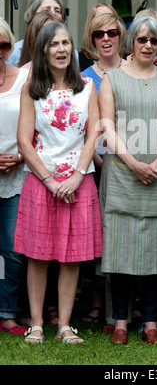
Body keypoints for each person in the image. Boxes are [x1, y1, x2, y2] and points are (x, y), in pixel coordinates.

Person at [13, 22, 102, 344]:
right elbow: (24, 142)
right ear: (43, 51)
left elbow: (94, 132)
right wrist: (50, 181)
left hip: (80, 180)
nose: (62, 49)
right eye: (54, 44)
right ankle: (36, 323)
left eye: (66, 43)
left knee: (73, 255)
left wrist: (78, 174)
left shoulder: (88, 87)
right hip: (41, 180)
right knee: (38, 255)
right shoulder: (31, 88)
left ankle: (65, 325)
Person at [98, 16, 157, 345]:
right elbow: (107, 127)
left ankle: (150, 321)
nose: (148, 45)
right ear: (131, 42)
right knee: (120, 250)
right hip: (122, 175)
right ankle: (120, 321)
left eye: (154, 41)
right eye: (142, 39)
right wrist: (135, 163)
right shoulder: (112, 79)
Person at [80, 12, 126, 325]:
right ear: (92, 39)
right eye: (99, 34)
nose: (106, 38)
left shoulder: (134, 70)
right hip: (95, 164)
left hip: (130, 164)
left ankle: (130, 301)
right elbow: (86, 128)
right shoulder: (84, 77)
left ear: (121, 35)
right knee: (97, 236)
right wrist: (99, 161)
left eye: (111, 32)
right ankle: (97, 302)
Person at [0, 19, 29, 336]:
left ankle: (7, 313)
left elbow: (37, 128)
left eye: (3, 45)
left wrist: (21, 156)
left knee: (12, 249)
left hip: (17, 175)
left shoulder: (24, 79)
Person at [6, 0, 66, 66]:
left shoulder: (70, 53)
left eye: (57, 11)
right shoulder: (13, 52)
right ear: (32, 15)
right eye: (46, 10)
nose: (52, 14)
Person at [79, 1, 118, 71]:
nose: (105, 22)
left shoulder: (128, 60)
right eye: (100, 18)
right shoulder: (80, 61)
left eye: (110, 17)